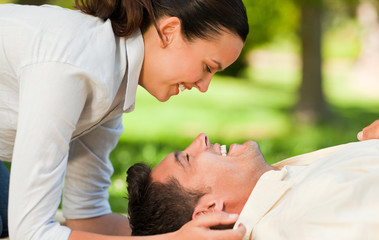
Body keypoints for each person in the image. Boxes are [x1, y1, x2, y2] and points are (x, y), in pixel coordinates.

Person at [0, 0, 249, 239]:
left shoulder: (113, 80)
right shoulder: (75, 65)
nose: (204, 86)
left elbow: (88, 217)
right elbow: (31, 233)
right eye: (207, 67)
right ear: (170, 31)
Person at [127, 129, 379, 239]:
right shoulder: (308, 220)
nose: (200, 138)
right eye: (188, 159)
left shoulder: (283, 191)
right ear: (210, 211)